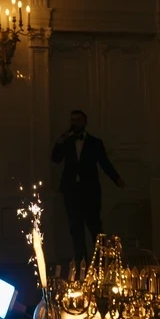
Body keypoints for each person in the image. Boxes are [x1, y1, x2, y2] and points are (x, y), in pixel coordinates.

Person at [51, 109, 125, 265]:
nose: (74, 123)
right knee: (75, 228)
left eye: (78, 120)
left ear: (84, 122)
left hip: (90, 191)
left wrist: (116, 179)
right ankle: (81, 261)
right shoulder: (67, 141)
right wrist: (60, 141)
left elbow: (104, 163)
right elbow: (55, 159)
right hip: (72, 191)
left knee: (95, 226)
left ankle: (101, 261)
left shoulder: (95, 143)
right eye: (72, 120)